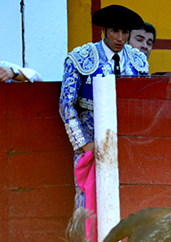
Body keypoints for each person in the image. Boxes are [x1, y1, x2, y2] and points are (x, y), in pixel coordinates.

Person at [59, 4, 148, 182]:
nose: (120, 38)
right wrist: (84, 144)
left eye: (125, 32)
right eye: (115, 31)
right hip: (92, 139)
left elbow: (143, 105)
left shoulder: (138, 60)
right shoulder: (80, 57)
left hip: (127, 142)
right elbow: (66, 106)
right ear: (104, 30)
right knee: (87, 198)